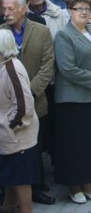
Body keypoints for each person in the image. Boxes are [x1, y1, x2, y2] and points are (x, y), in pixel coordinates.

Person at [54, 0, 91, 204]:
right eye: (79, 9)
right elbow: (67, 68)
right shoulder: (64, 36)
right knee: (75, 145)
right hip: (74, 99)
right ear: (70, 11)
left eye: (87, 8)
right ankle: (74, 186)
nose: (84, 12)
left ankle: (89, 184)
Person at [1, 0, 55, 205]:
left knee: (35, 151)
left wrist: (29, 91)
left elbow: (47, 64)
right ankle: (12, 199)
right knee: (14, 161)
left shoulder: (41, 31)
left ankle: (37, 189)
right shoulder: (1, 33)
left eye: (10, 9)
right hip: (8, 109)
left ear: (24, 9)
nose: (6, 13)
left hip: (35, 100)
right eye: (4, 9)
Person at [0, 29, 39, 213]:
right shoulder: (3, 66)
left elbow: (24, 107)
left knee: (24, 197)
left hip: (17, 141)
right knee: (10, 187)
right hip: (9, 140)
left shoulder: (11, 68)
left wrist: (9, 128)